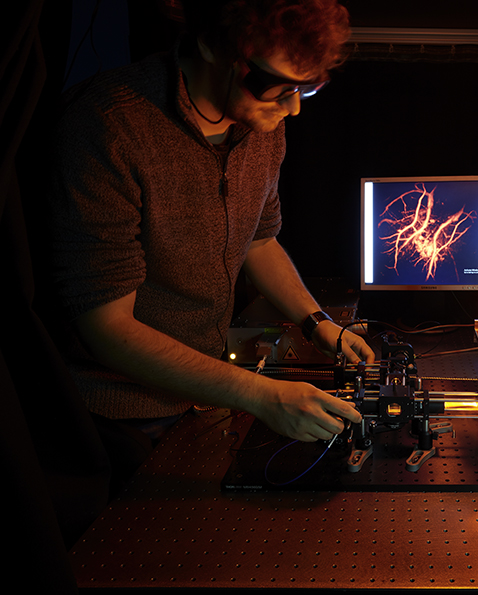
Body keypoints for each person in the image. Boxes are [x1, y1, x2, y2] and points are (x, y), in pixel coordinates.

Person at [47, 0, 373, 459]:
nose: (294, 108)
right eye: (275, 85)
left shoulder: (262, 121)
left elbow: (259, 240)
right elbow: (106, 326)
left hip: (208, 391)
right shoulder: (107, 126)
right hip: (115, 417)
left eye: (309, 88)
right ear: (210, 45)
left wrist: (317, 322)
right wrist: (261, 395)